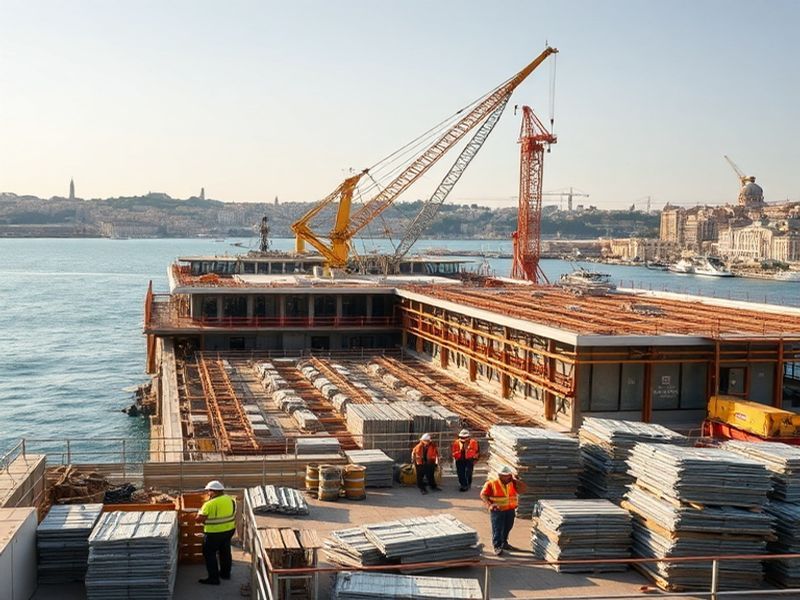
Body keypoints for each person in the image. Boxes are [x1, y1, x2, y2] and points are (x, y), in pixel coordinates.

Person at [480, 465, 527, 556]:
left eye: (508, 475)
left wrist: (517, 481)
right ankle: (497, 546)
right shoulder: (491, 483)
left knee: (507, 527)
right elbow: (483, 495)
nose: (506, 477)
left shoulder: (513, 483)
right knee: (498, 528)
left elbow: (523, 490)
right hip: (497, 510)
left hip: (510, 509)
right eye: (504, 475)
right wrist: (490, 505)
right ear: (500, 475)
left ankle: (504, 543)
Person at [196, 480, 237, 585]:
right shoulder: (230, 500)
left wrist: (197, 514)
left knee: (209, 554)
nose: (207, 493)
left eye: (209, 491)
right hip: (229, 531)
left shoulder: (209, 504)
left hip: (214, 533)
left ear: (213, 492)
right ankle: (225, 574)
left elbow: (199, 519)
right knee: (225, 552)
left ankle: (213, 578)